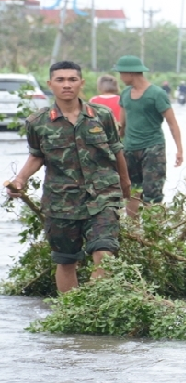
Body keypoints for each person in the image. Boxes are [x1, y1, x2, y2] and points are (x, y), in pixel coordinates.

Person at [5, 61, 131, 293]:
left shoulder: (101, 116)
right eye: (60, 80)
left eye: (72, 80)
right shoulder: (37, 122)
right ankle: (71, 315)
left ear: (81, 83)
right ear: (50, 84)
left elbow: (116, 150)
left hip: (102, 196)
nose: (66, 85)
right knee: (65, 260)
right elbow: (36, 156)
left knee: (105, 252)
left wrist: (125, 183)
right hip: (61, 201)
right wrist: (20, 180)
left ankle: (95, 306)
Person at [115, 55, 183, 215]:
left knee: (153, 194)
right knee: (131, 191)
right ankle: (135, 232)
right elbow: (122, 125)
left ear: (130, 73)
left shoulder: (156, 94)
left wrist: (179, 149)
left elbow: (172, 123)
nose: (120, 77)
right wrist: (116, 149)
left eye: (121, 73)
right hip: (130, 148)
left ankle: (154, 232)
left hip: (153, 148)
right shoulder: (125, 94)